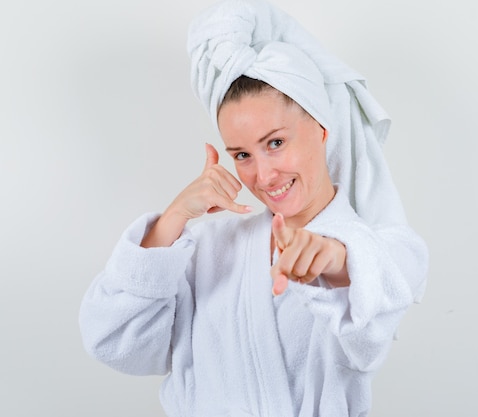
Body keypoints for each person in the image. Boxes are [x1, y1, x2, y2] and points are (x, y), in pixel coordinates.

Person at [79, 0, 428, 416]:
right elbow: (111, 340)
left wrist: (333, 258)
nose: (263, 175)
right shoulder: (206, 248)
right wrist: (173, 219)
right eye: (242, 155)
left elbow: (376, 308)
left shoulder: (378, 250)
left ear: (320, 129)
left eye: (275, 143)